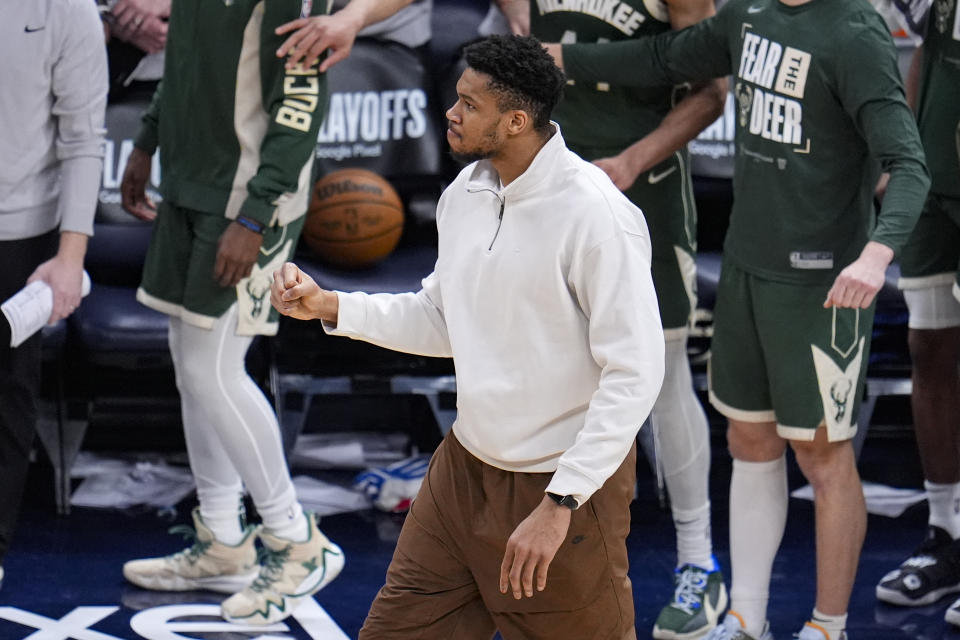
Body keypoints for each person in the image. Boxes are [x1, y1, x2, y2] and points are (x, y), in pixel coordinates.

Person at [549, 1, 931, 639]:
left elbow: (909, 161)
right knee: (749, 441)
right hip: (747, 267)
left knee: (823, 455)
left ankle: (826, 626)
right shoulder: (749, 14)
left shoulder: (854, 31)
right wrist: (564, 58)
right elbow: (663, 58)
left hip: (821, 283)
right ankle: (746, 617)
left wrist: (876, 253)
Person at [272, 34, 666, 640]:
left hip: (560, 484)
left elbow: (636, 373)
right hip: (463, 470)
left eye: (468, 104)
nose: (451, 114)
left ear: (515, 120)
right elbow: (445, 320)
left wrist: (561, 504)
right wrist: (333, 306)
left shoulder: (599, 218)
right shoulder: (466, 192)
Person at [118, 0, 414, 626]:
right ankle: (224, 541)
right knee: (190, 371)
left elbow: (300, 106)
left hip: (248, 201)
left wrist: (255, 213)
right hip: (190, 184)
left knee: (214, 372)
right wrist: (148, 138)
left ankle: (296, 540)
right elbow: (184, 61)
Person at [522, 0, 729, 635]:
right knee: (555, 374)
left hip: (644, 186)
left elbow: (711, 91)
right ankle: (565, 557)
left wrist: (633, 162)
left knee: (660, 377)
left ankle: (699, 566)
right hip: (556, 186)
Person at [0, 0, 107, 593]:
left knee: (8, 394)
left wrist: (71, 258)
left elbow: (84, 137)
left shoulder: (67, 9)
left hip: (21, 229)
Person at [875, 0, 960, 624]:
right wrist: (904, 147)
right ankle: (946, 533)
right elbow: (929, 47)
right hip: (936, 178)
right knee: (929, 349)